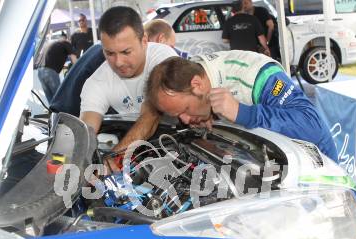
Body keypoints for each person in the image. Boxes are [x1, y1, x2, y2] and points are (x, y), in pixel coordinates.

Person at [145, 51, 338, 161]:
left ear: (197, 85)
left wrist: (243, 113)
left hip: (322, 171)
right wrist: (207, 114)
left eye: (185, 110)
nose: (185, 120)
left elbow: (314, 127)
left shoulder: (257, 76)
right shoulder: (197, 77)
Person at [79, 6, 177, 153]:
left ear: (144, 41)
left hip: (175, 142)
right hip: (135, 146)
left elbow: (151, 115)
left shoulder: (163, 59)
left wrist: (115, 157)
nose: (118, 62)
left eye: (126, 52)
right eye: (110, 53)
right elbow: (86, 131)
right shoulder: (97, 82)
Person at [38, 32, 77, 103]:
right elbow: (74, 60)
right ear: (67, 39)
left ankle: (54, 113)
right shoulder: (66, 43)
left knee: (51, 101)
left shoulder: (52, 43)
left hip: (40, 72)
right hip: (50, 72)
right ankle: (61, 113)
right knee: (59, 98)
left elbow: (50, 58)